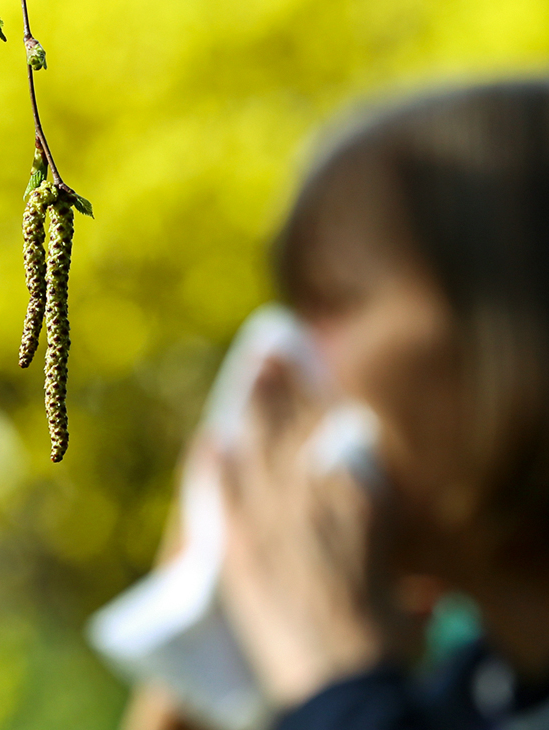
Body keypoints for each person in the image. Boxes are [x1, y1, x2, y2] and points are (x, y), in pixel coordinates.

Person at [131, 80, 549, 730]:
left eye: (336, 305)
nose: (276, 364)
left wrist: (336, 683)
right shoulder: (477, 692)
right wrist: (203, 661)